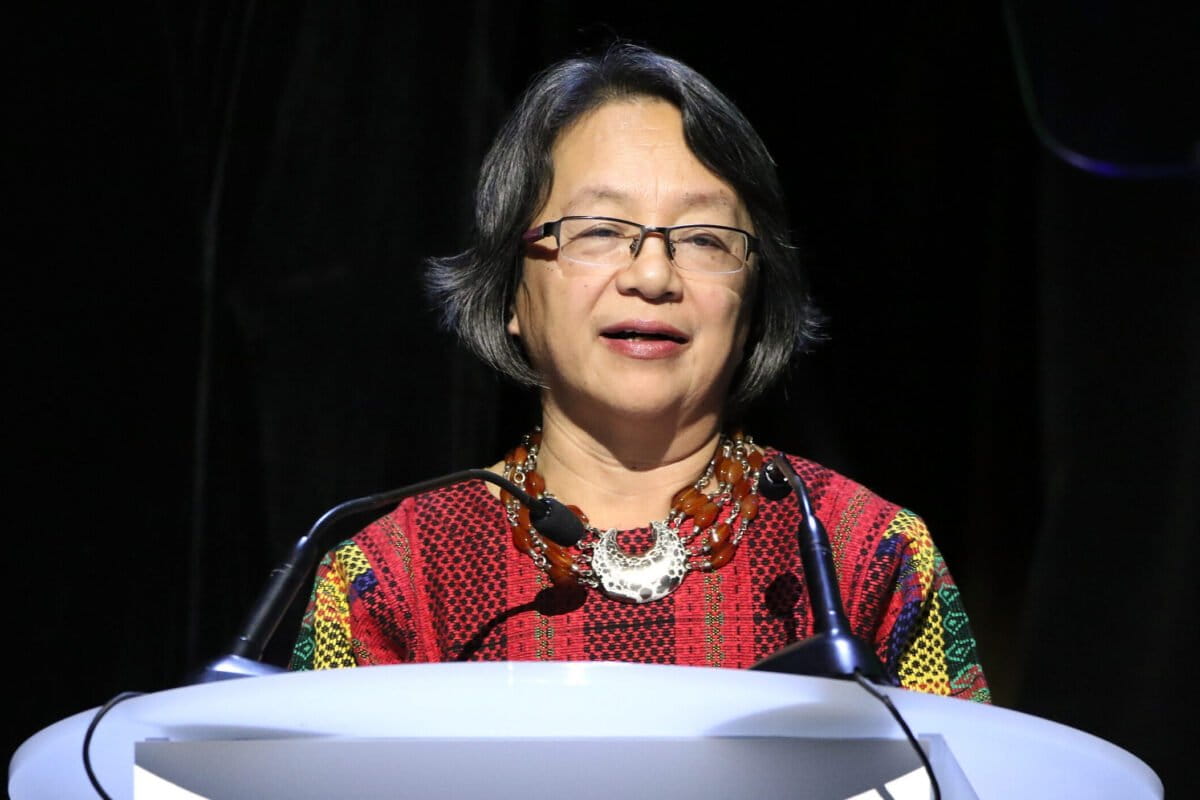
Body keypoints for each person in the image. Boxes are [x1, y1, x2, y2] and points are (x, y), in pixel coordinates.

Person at [289, 43, 989, 703]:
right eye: (598, 230)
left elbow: (972, 772)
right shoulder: (391, 572)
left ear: (753, 304)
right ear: (509, 289)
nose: (653, 275)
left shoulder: (868, 550)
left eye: (706, 239)